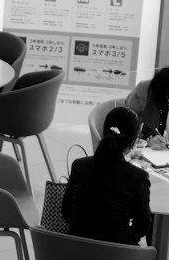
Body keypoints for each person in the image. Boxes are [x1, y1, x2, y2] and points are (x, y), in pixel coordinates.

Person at [60, 103, 152, 246]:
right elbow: (143, 225)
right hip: (115, 259)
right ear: (133, 142)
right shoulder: (138, 177)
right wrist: (125, 241)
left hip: (76, 254)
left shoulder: (79, 166)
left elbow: (66, 211)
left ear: (103, 133)